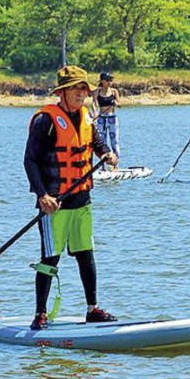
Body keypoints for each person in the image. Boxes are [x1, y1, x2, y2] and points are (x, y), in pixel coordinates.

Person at [24, 66, 119, 330]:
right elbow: (29, 161)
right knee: (50, 258)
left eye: (84, 90)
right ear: (63, 92)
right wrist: (42, 195)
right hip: (54, 203)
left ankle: (92, 309)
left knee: (86, 254)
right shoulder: (46, 120)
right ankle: (40, 314)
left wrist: (106, 154)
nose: (81, 94)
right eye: (76, 89)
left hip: (82, 200)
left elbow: (97, 142)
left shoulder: (87, 116)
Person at [91, 71, 121, 161]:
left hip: (112, 118)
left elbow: (120, 104)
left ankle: (115, 164)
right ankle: (103, 166)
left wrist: (115, 103)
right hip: (101, 119)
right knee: (102, 142)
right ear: (102, 81)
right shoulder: (97, 91)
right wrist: (95, 112)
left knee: (114, 142)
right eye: (107, 80)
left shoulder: (114, 91)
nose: (109, 82)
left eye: (111, 80)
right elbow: (94, 103)